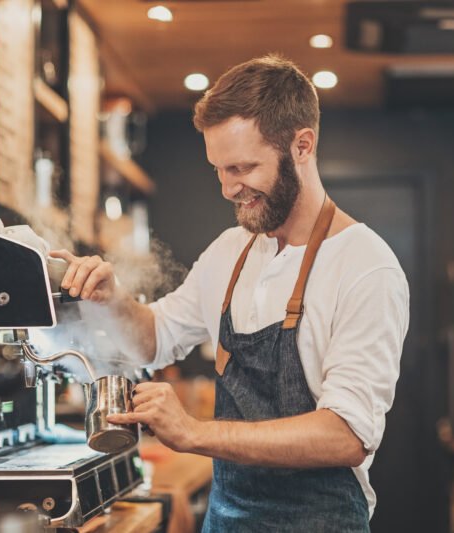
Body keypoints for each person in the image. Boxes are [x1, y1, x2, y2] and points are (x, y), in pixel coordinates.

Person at [49, 54, 409, 532]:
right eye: (218, 169)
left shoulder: (365, 266)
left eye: (242, 168)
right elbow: (153, 340)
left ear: (302, 146)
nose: (227, 188)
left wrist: (196, 433)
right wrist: (111, 298)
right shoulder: (231, 251)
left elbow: (346, 436)